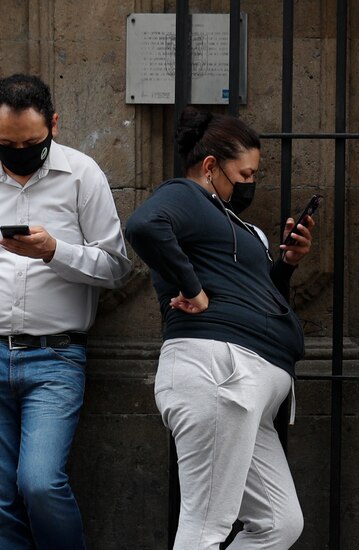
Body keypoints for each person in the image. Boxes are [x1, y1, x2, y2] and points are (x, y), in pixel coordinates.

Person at [0, 74, 132, 549]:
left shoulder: (81, 175)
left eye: (31, 142)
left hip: (55, 358)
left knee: (40, 482)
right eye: (7, 143)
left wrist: (54, 250)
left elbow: (117, 268)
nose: (19, 151)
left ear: (53, 124)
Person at [125, 107, 312, 549]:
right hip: (219, 373)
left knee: (279, 524)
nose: (250, 183)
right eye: (244, 173)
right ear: (210, 166)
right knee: (206, 526)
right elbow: (143, 224)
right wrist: (194, 288)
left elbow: (260, 295)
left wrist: (285, 264)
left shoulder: (235, 224)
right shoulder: (186, 195)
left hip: (247, 387)